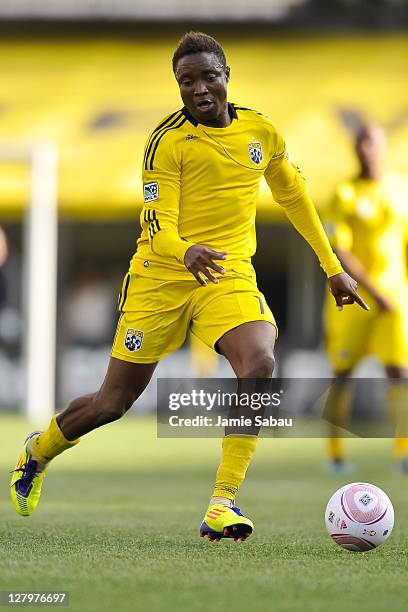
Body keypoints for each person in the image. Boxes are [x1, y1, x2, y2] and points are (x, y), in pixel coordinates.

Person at [10, 32, 365, 542]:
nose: (199, 89)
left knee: (260, 361)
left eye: (208, 77)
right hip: (162, 277)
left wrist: (332, 266)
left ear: (227, 76)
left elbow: (294, 197)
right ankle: (38, 450)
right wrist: (185, 251)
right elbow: (160, 225)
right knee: (113, 402)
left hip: (227, 274)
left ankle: (223, 502)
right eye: (186, 81)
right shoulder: (167, 141)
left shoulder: (261, 133)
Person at [323, 124, 408, 473]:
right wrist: (375, 291)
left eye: (371, 143)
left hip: (395, 301)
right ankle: (335, 455)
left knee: (400, 374)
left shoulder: (401, 189)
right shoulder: (343, 194)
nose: (365, 150)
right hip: (353, 300)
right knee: (342, 375)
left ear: (383, 147)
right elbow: (339, 249)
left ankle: (404, 454)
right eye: (360, 144)